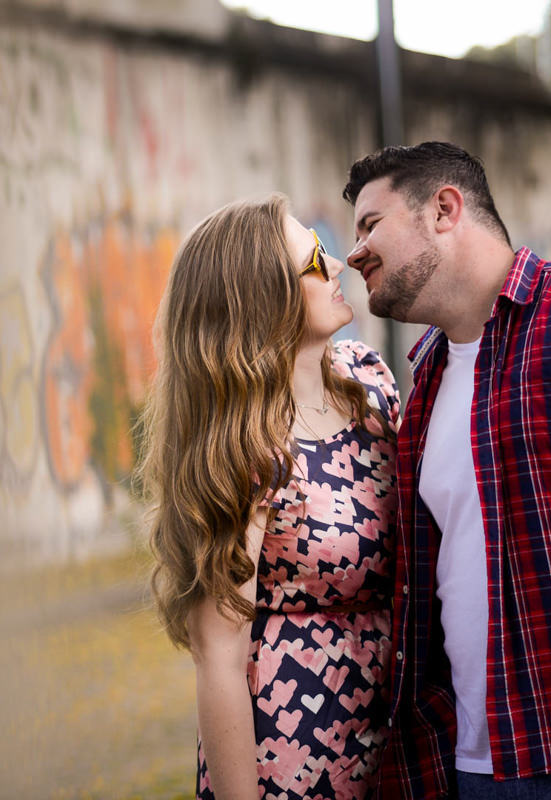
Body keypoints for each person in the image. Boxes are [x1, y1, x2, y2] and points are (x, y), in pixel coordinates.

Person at [342, 141, 551, 799]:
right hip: (471, 766)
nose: (353, 251)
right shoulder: (423, 378)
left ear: (444, 209)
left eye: (370, 224)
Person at [140, 194, 402, 799]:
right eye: (313, 261)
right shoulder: (249, 447)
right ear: (263, 297)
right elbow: (218, 656)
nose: (337, 266)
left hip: (399, 743)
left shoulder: (371, 383)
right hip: (295, 755)